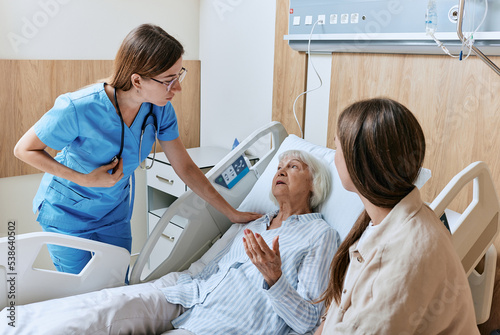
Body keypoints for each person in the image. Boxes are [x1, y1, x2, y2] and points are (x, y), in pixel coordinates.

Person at [0, 150, 340, 335]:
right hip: (190, 292)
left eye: (292, 166)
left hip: (226, 322)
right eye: (278, 165)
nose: (280, 170)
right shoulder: (254, 220)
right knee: (97, 310)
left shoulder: (319, 235)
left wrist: (274, 279)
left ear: (314, 184)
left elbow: (308, 321)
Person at [12, 23, 260, 274]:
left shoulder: (160, 110)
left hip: (113, 214)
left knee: (116, 286)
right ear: (137, 80)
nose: (178, 88)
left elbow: (185, 167)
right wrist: (86, 179)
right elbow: (24, 150)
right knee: (80, 293)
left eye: (179, 75)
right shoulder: (78, 107)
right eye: (168, 80)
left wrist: (231, 212)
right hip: (67, 214)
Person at [314, 98, 479, 334]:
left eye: (336, 145)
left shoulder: (400, 258)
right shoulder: (385, 220)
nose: (332, 155)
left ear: (358, 162)